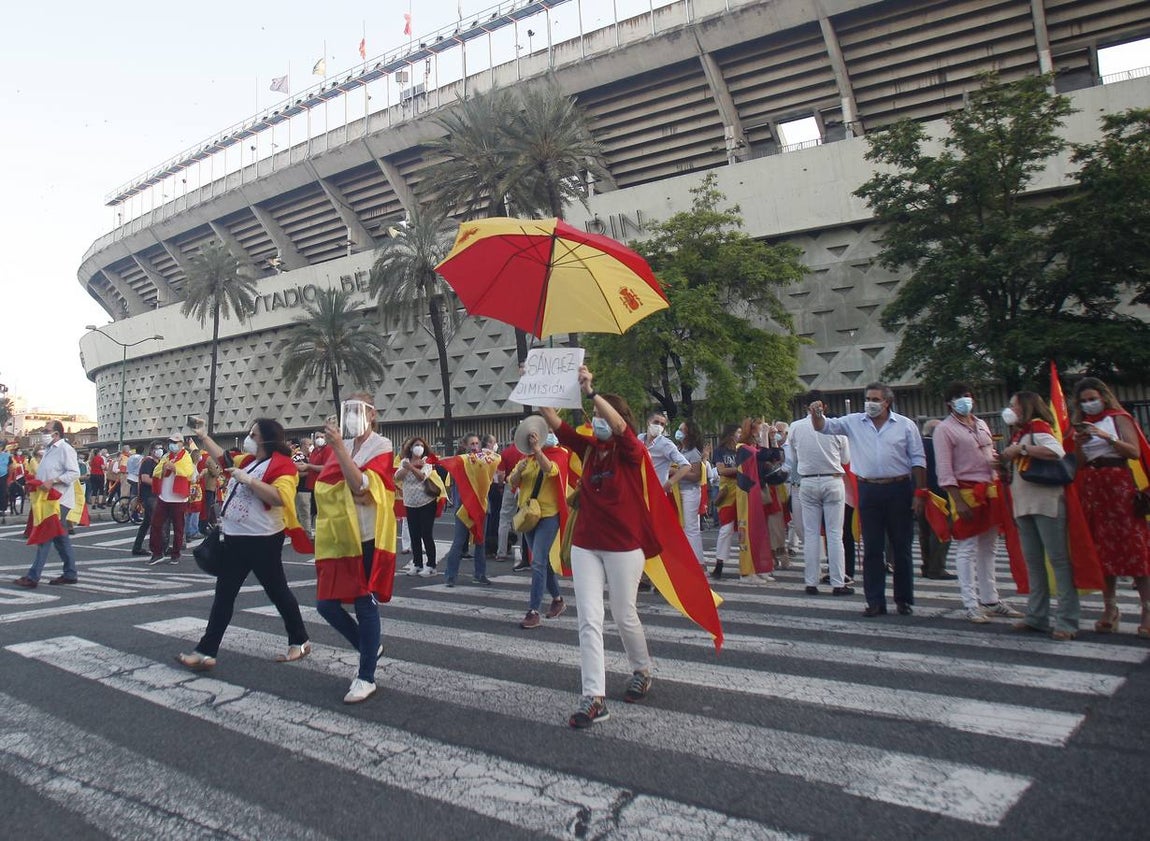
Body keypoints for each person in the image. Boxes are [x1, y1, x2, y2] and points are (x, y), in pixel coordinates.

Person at [540, 365, 656, 728]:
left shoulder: (631, 450)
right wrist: (536, 385)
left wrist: (592, 393)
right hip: (586, 543)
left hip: (624, 545)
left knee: (624, 614)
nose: (600, 421)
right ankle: (594, 697)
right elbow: (554, 422)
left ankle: (641, 668)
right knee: (589, 620)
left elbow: (621, 429)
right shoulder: (589, 449)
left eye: (607, 414)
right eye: (598, 414)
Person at [176, 418, 312, 671]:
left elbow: (281, 497)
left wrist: (249, 481)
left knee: (278, 592)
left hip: (263, 541)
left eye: (253, 433)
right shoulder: (251, 462)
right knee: (224, 596)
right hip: (236, 539)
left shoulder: (283, 466)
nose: (249, 437)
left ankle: (300, 640)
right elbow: (225, 459)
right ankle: (206, 651)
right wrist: (204, 436)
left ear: (265, 439)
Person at [811, 383, 926, 617]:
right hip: (869, 489)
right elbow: (824, 427)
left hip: (899, 487)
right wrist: (816, 414)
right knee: (872, 547)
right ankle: (875, 600)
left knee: (901, 547)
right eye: (868, 398)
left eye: (875, 399)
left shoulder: (905, 425)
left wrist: (920, 493)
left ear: (887, 402)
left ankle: (903, 599)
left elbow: (918, 459)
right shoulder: (854, 421)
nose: (870, 403)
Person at [313, 395, 397, 703]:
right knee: (326, 604)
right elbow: (329, 486)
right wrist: (345, 467)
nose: (353, 416)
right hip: (339, 536)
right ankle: (368, 645)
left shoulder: (382, 445)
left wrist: (340, 457)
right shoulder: (345, 447)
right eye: (349, 410)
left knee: (364, 602)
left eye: (360, 410)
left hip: (367, 535)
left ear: (372, 414)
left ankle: (366, 676)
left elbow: (362, 486)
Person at [932, 383, 1022, 624]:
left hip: (990, 488)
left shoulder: (981, 424)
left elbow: (990, 453)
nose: (964, 400)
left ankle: (991, 599)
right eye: (959, 397)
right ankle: (971, 603)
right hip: (965, 490)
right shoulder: (944, 429)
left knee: (989, 546)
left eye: (968, 396)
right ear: (949, 403)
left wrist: (999, 465)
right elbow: (944, 468)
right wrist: (958, 500)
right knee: (967, 547)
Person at [1070, 376, 1150, 637]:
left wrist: (1106, 437)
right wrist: (1079, 445)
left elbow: (1134, 451)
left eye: (1092, 399)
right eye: (1084, 401)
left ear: (1103, 397)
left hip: (1119, 486)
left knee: (1134, 547)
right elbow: (1079, 464)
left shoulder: (1118, 417)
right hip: (1094, 487)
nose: (1089, 404)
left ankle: (1147, 608)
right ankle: (1110, 608)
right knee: (1102, 551)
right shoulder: (1081, 426)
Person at [999, 392, 1080, 640]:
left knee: (1059, 561)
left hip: (1046, 503)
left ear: (1025, 407)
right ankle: (1037, 615)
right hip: (1024, 504)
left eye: (1013, 405)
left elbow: (1055, 452)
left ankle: (1067, 620)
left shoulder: (1038, 428)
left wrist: (1021, 449)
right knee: (1034, 562)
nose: (1009, 409)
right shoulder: (1020, 433)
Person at [786, 391, 853, 596]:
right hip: (832, 479)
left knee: (811, 533)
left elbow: (793, 458)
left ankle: (811, 581)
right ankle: (837, 581)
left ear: (807, 407)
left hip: (807, 480)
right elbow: (845, 458)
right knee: (834, 534)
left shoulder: (795, 427)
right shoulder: (837, 427)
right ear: (825, 406)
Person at [508, 424, 570, 629]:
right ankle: (558, 600)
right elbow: (511, 483)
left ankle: (533, 610)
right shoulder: (525, 458)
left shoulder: (560, 453)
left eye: (552, 432)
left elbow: (552, 471)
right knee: (542, 562)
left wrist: (537, 451)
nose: (549, 435)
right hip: (528, 515)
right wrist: (519, 470)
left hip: (548, 515)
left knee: (537, 562)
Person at [13, 421, 81, 587]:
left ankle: (33, 576)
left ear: (56, 433)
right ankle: (70, 572)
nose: (43, 433)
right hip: (48, 499)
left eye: (46, 430)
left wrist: (54, 481)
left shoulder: (66, 449)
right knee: (60, 538)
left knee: (45, 536)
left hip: (59, 500)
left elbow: (74, 472)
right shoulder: (50, 450)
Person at [439, 432, 500, 587]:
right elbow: (445, 463)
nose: (474, 447)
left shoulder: (484, 459)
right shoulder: (461, 461)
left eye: (476, 444)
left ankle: (480, 574)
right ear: (465, 446)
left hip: (481, 506)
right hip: (464, 508)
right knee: (459, 541)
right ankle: (450, 576)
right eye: (471, 444)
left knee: (480, 541)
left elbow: (496, 465)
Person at [395, 435, 442, 577]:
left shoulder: (427, 460)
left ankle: (432, 565)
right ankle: (417, 564)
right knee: (414, 534)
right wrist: (410, 466)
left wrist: (412, 467)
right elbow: (398, 476)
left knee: (426, 534)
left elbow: (423, 476)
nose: (418, 448)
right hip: (410, 503)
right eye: (416, 445)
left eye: (421, 445)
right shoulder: (405, 461)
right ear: (410, 448)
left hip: (426, 502)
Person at [147, 434, 195, 565]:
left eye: (175, 442)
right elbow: (156, 471)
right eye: (170, 442)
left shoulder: (186, 457)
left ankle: (176, 554)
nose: (172, 444)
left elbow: (188, 472)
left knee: (178, 528)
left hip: (178, 499)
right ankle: (157, 552)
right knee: (156, 524)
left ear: (181, 444)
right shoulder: (166, 456)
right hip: (164, 496)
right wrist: (163, 468)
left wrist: (174, 468)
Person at [918, 419, 956, 580]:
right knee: (941, 533)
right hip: (940, 495)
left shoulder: (918, 445)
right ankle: (937, 568)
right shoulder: (940, 446)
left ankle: (926, 565)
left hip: (921, 494)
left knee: (924, 532)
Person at [672, 420, 706, 565]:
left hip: (690, 491)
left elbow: (695, 476)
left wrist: (677, 472)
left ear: (688, 433)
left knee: (691, 527)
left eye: (681, 429)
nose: (678, 432)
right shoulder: (680, 451)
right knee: (684, 527)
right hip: (679, 491)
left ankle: (698, 562)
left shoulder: (693, 453)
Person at [710, 423, 741, 580]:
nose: (739, 435)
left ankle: (747, 563)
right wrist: (741, 469)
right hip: (728, 492)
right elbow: (721, 470)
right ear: (730, 434)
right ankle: (719, 563)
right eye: (738, 432)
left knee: (744, 528)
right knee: (726, 529)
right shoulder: (720, 451)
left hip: (742, 492)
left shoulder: (742, 448)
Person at [131, 441, 164, 556]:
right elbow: (145, 478)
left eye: (161, 448)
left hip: (154, 495)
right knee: (156, 522)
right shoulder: (148, 462)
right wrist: (160, 484)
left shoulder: (158, 462)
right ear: (152, 450)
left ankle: (137, 547)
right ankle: (159, 547)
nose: (160, 450)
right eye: (158, 448)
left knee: (147, 523)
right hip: (149, 496)